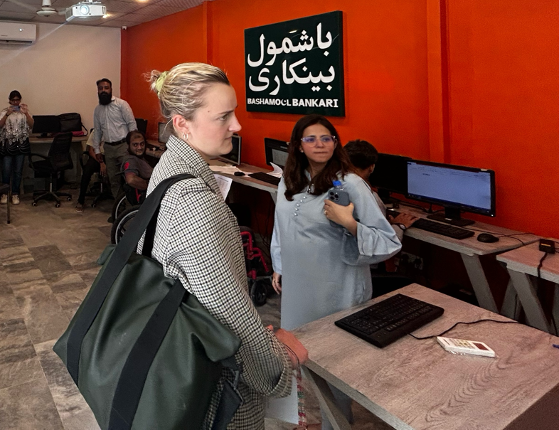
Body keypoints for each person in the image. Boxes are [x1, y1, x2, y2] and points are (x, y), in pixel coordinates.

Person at [141, 63, 307, 429]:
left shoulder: (169, 167)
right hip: (217, 395)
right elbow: (229, 316)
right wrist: (278, 360)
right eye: (224, 116)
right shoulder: (194, 201)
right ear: (182, 123)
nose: (237, 126)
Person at [271, 116, 401, 430]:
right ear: (298, 146)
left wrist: (350, 223)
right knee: (299, 357)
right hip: (299, 289)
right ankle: (307, 420)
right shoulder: (289, 180)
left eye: (327, 138)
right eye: (311, 139)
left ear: (335, 143)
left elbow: (389, 241)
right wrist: (279, 266)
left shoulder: (351, 184)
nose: (320, 144)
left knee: (337, 368)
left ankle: (337, 424)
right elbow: (281, 227)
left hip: (337, 289)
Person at [344, 139, 417, 240]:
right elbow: (382, 242)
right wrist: (400, 225)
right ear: (372, 167)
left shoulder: (327, 185)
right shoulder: (368, 196)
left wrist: (386, 225)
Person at [82, 78, 136, 212]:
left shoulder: (122, 105)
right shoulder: (98, 110)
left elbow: (132, 124)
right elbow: (98, 131)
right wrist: (97, 150)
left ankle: (132, 208)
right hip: (109, 148)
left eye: (106, 88)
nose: (103, 90)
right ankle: (119, 209)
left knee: (128, 177)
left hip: (124, 147)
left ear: (111, 89)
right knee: (114, 180)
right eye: (101, 88)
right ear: (98, 91)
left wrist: (132, 146)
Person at [0, 90, 33, 205]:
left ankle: (15, 193)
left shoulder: (24, 112)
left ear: (20, 100)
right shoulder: (4, 112)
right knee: (6, 170)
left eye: (17, 100)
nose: (15, 102)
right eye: (13, 100)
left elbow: (32, 125)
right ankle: (5, 193)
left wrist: (26, 113)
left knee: (18, 170)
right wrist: (7, 114)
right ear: (10, 101)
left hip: (21, 144)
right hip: (8, 144)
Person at [121, 130, 152, 205]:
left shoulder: (137, 156)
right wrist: (149, 186)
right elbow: (131, 179)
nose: (139, 148)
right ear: (128, 145)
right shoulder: (131, 160)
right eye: (135, 145)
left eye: (142, 144)